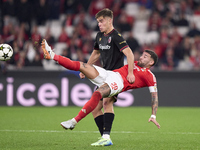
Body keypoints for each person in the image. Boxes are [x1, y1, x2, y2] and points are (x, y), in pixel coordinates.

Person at [41, 39, 161, 146]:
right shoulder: (133, 63)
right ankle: (52, 55)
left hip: (119, 83)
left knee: (98, 95)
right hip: (110, 74)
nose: (141, 57)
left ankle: (74, 121)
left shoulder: (150, 76)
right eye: (142, 55)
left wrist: (153, 115)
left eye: (145, 57)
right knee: (82, 66)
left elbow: (154, 96)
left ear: (151, 62)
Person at [79, 8, 135, 146]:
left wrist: (130, 72)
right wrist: (86, 67)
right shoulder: (99, 36)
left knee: (106, 102)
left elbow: (130, 54)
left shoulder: (116, 36)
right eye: (98, 21)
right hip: (103, 76)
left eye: (102, 21)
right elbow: (96, 54)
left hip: (115, 76)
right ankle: (104, 137)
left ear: (110, 21)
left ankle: (106, 137)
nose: (99, 24)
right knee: (95, 108)